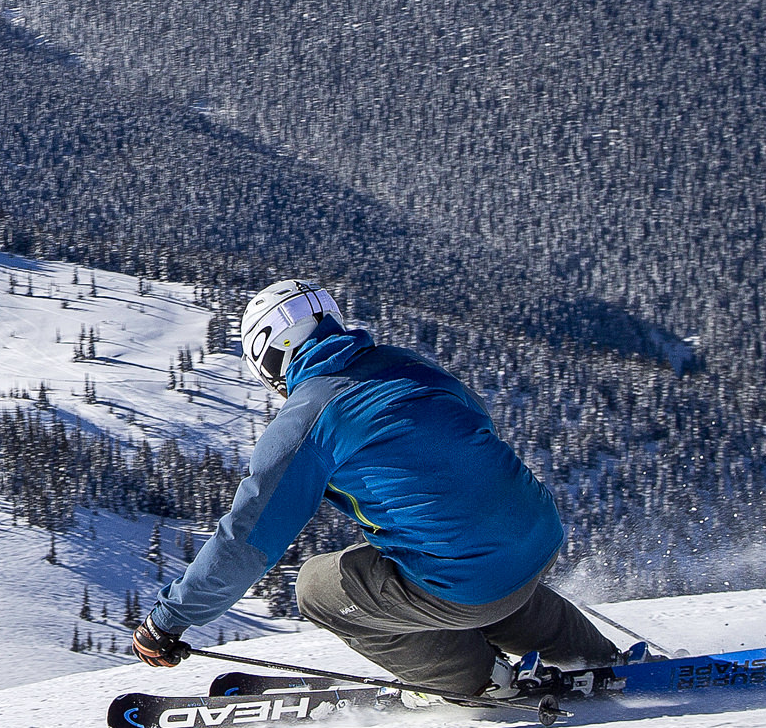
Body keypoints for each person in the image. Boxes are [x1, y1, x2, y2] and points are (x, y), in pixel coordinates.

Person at [132, 278, 624, 697]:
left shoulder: (308, 417)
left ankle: (478, 681)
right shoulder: (406, 364)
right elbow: (475, 428)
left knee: (318, 588)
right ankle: (591, 656)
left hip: (475, 581)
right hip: (539, 536)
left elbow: (247, 540)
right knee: (460, 563)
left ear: (267, 356)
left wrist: (169, 619)